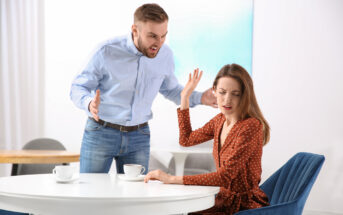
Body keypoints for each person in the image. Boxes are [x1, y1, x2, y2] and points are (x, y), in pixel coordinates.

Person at [70, 3, 216, 174]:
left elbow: (170, 90)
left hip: (138, 136)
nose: (159, 43)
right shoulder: (106, 51)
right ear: (135, 30)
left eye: (163, 36)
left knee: (137, 196)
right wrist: (89, 104)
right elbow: (78, 87)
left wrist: (200, 98)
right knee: (90, 191)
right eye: (152, 36)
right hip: (101, 132)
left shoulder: (165, 55)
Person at [144, 64, 270, 214]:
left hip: (245, 207)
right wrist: (185, 98)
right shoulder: (220, 121)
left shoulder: (251, 126)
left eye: (235, 94)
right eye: (222, 92)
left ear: (244, 95)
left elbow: (225, 177)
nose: (227, 100)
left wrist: (171, 179)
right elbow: (186, 140)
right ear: (214, 91)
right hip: (223, 200)